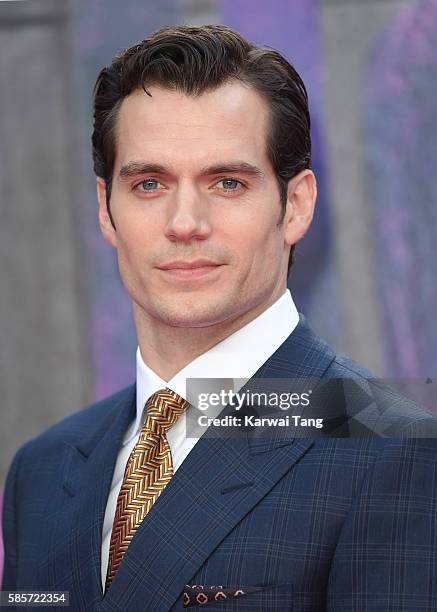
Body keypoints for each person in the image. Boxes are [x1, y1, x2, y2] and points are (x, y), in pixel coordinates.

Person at [2, 24, 437, 612]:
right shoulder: (43, 469)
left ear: (297, 206)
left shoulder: (394, 453)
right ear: (106, 210)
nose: (185, 222)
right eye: (149, 183)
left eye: (227, 182)